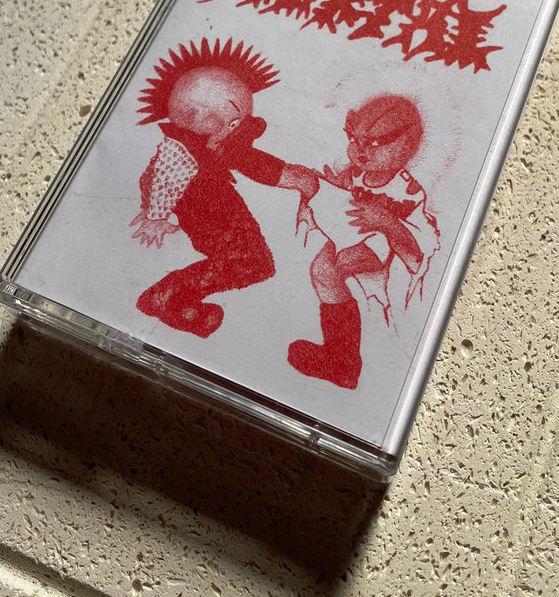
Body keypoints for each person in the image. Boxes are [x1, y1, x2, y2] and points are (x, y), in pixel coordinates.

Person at [130, 38, 316, 337]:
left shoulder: (203, 147)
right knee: (251, 261)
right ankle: (167, 294)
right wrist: (155, 214)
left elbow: (252, 162)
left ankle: (179, 302)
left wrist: (292, 177)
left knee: (248, 261)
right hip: (211, 211)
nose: (237, 126)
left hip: (214, 210)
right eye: (233, 118)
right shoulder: (183, 152)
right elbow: (159, 179)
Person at [288, 94, 438, 389]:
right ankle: (338, 355)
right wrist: (336, 185)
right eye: (355, 141)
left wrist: (383, 220)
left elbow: (414, 242)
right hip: (349, 232)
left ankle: (346, 364)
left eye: (374, 144)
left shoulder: (407, 190)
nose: (361, 151)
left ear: (407, 147)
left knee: (335, 267)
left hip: (378, 244)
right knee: (322, 271)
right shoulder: (356, 172)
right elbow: (347, 192)